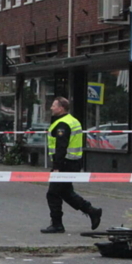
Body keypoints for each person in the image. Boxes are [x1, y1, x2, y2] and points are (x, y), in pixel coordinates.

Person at [42, 97, 103, 234]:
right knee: (65, 192)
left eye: (53, 105)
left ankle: (57, 224)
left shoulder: (63, 124)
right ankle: (92, 211)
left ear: (61, 108)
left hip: (65, 163)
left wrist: (56, 166)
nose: (51, 108)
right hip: (72, 162)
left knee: (52, 194)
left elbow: (61, 146)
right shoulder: (72, 120)